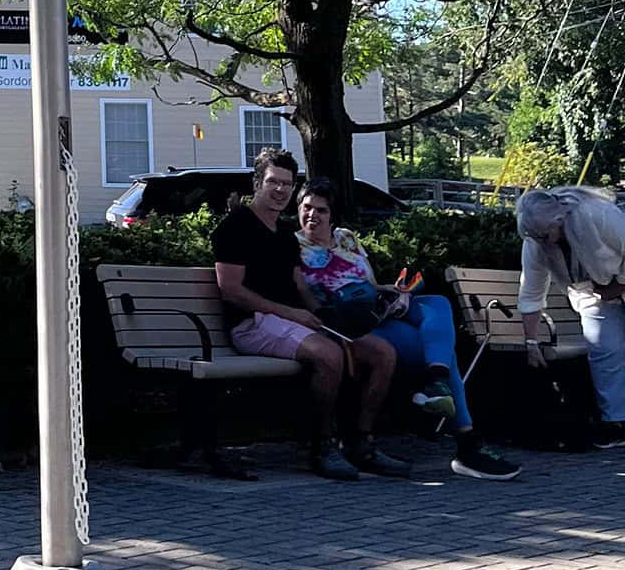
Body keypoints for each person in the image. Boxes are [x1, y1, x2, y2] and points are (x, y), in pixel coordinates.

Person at [294, 183, 518, 482]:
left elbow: (370, 285)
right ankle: (466, 441)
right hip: (348, 326)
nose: (313, 215)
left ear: (333, 215)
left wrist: (396, 294)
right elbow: (307, 298)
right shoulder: (293, 246)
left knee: (436, 303)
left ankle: (439, 387)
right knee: (443, 351)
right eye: (306, 208)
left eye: (321, 210)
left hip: (378, 312)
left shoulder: (346, 238)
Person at [211, 148, 407, 479]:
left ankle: (361, 443)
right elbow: (231, 290)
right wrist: (290, 313)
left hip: (292, 323)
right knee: (329, 355)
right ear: (257, 182)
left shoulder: (285, 236)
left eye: (287, 184)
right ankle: (322, 448)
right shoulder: (235, 226)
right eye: (273, 182)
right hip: (251, 325)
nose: (280, 191)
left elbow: (299, 285)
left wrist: (326, 317)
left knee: (382, 353)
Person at [518, 186, 625, 439]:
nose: (543, 242)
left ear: (559, 220)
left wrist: (618, 286)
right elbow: (531, 292)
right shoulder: (535, 241)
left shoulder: (598, 214)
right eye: (536, 237)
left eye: (545, 235)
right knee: (605, 347)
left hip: (617, 280)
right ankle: (616, 422)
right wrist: (531, 342)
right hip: (590, 292)